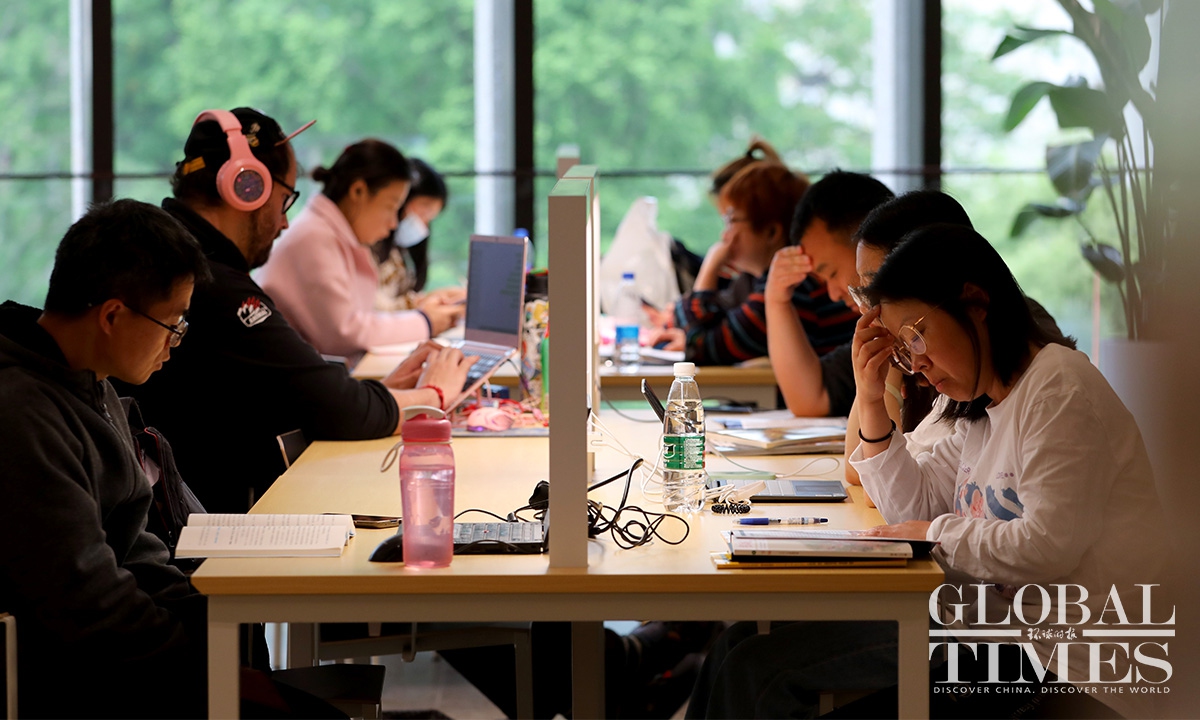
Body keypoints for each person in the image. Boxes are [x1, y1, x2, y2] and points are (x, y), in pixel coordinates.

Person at [687, 224, 1166, 719]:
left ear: (975, 302)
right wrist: (871, 398)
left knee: (762, 675)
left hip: (1065, 669)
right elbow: (910, 507)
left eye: (916, 337)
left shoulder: (1058, 389)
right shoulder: (982, 405)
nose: (915, 365)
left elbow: (1047, 545)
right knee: (744, 651)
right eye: (902, 349)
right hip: (988, 636)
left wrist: (933, 533)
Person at [118, 108, 473, 513]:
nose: (285, 222)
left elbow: (302, 391)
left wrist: (383, 391)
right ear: (247, 187)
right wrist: (435, 395)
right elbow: (334, 397)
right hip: (216, 516)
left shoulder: (184, 260)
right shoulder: (210, 281)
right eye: (285, 199)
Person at [0, 200, 211, 718]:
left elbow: (135, 548)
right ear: (113, 315)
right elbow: (86, 603)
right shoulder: (21, 413)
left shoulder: (92, 383)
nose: (174, 343)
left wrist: (211, 622)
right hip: (78, 679)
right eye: (172, 323)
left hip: (126, 652)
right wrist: (202, 658)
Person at [842, 190, 1073, 489]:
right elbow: (906, 494)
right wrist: (873, 394)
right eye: (863, 293)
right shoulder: (975, 397)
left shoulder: (1046, 390)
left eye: (875, 289)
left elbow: (882, 490)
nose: (867, 310)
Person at [258, 140, 463, 359]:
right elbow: (344, 334)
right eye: (391, 207)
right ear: (358, 191)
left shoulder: (331, 235)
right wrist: (426, 322)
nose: (393, 223)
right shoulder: (315, 238)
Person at [674, 161, 858, 366]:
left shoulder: (794, 285)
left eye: (731, 221)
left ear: (772, 232)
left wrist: (710, 266)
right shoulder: (777, 281)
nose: (725, 235)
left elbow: (700, 348)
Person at [766, 170, 895, 416]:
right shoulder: (880, 336)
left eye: (832, 273)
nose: (833, 294)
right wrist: (777, 301)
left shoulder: (933, 326)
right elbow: (810, 400)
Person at [373, 157, 464, 312]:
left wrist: (431, 299)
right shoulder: (370, 248)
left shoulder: (400, 255)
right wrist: (424, 303)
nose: (423, 226)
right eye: (423, 212)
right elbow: (375, 310)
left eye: (430, 218)